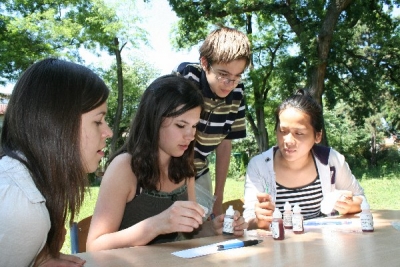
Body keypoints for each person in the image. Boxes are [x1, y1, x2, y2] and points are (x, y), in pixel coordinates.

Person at [86, 75, 247, 251]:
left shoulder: (185, 167)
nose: (190, 135)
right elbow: (95, 246)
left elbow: (190, 234)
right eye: (180, 125)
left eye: (194, 126)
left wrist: (213, 228)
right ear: (154, 120)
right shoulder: (125, 167)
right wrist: (157, 224)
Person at [0, 58, 113, 266]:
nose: (108, 132)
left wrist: (36, 260)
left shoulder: (27, 185)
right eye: (98, 121)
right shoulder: (21, 206)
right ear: (59, 126)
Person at [243, 89, 366, 230]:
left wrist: (350, 205)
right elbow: (248, 220)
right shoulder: (259, 166)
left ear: (318, 136)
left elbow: (361, 199)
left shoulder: (331, 161)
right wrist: (259, 221)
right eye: (282, 131)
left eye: (299, 133)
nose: (288, 141)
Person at [174, 26, 251, 216]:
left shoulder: (237, 91)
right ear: (205, 63)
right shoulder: (187, 79)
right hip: (170, 166)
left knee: (207, 219)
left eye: (237, 76)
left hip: (200, 168)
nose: (230, 84)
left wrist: (218, 196)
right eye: (223, 75)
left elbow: (225, 145)